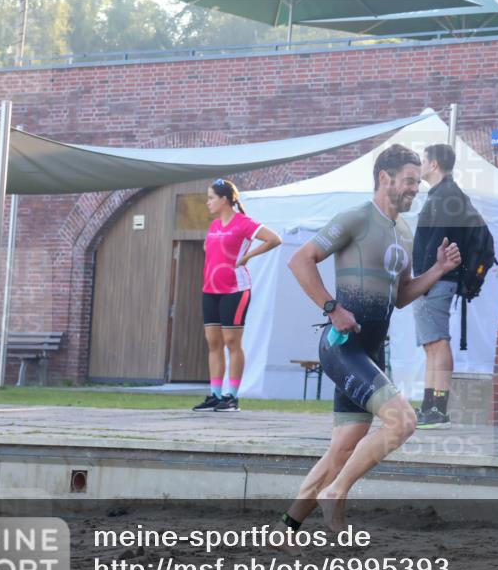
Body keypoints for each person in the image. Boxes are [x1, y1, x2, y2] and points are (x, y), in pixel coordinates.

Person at [281, 144, 462, 533]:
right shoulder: (357, 219)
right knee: (403, 421)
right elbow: (300, 260)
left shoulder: (403, 231)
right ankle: (336, 493)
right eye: (410, 181)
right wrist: (332, 308)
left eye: (418, 181)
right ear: (386, 178)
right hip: (343, 348)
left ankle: (287, 527)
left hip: (371, 352)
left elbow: (400, 296)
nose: (416, 188)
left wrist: (438, 270)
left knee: (342, 450)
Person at [193, 179, 281, 413]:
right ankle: (215, 394)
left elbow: (274, 238)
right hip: (210, 290)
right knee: (213, 343)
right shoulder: (213, 226)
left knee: (232, 342)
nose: (208, 202)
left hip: (235, 289)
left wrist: (248, 255)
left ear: (224, 200)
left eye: (211, 197)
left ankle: (231, 396)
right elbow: (208, 249)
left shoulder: (243, 223)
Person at [412, 143, 480, 430]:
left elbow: (435, 242)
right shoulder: (445, 195)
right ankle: (430, 405)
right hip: (436, 280)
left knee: (438, 342)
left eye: (423, 161)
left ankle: (438, 406)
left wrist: (424, 280)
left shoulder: (445, 197)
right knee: (431, 345)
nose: (421, 167)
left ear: (435, 164)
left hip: (436, 280)